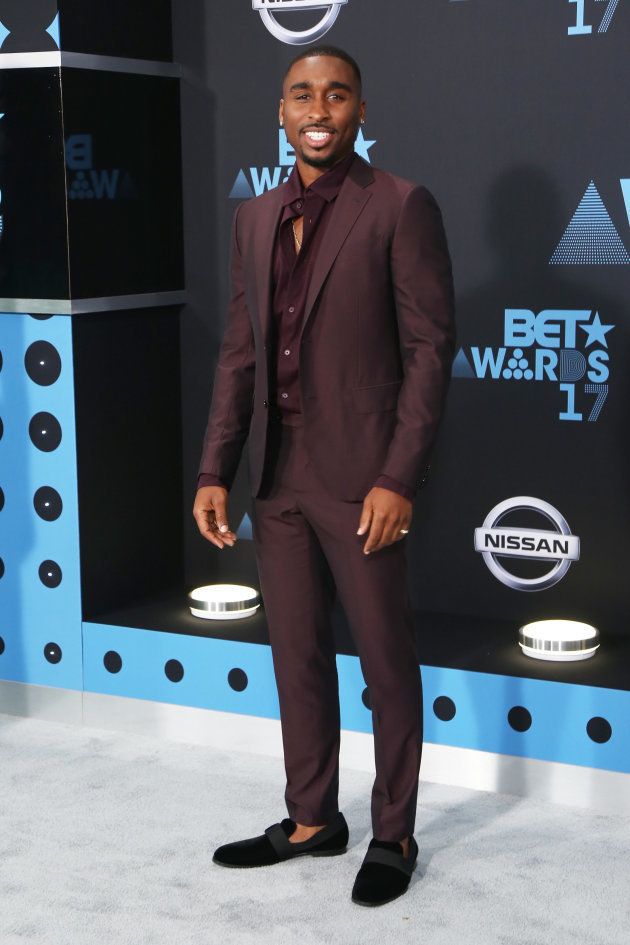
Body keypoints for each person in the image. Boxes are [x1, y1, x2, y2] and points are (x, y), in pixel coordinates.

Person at [193, 45, 455, 907]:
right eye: (302, 93)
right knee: (295, 653)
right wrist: (214, 468)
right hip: (277, 473)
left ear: (360, 111)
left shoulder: (401, 206)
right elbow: (240, 354)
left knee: (384, 659)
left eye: (336, 93)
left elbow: (428, 352)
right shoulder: (255, 216)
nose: (319, 107)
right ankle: (312, 818)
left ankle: (394, 829)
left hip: (362, 476)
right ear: (280, 111)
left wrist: (399, 477)